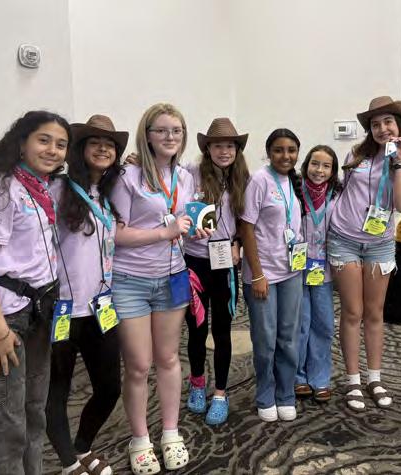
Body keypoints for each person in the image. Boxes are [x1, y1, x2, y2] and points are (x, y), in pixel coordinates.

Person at [0, 111, 70, 475]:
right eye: (43, 140)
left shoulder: (42, 187)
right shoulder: (1, 186)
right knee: (5, 420)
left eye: (61, 144)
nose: (52, 150)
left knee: (33, 410)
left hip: (38, 309)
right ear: (22, 142)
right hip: (4, 317)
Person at [110, 103, 200, 473]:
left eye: (176, 130)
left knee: (168, 359)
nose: (169, 137)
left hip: (172, 277)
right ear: (147, 135)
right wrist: (165, 232)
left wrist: (194, 230)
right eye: (161, 130)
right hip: (130, 281)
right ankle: (140, 439)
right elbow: (116, 233)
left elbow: (183, 223)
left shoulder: (185, 176)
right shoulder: (128, 176)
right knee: (138, 365)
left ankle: (170, 433)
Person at [45, 115, 128, 475]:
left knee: (109, 388)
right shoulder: (57, 189)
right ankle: (68, 463)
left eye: (110, 144)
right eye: (95, 142)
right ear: (80, 149)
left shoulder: (108, 194)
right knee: (57, 391)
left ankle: (82, 448)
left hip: (100, 308)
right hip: (61, 309)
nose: (103, 148)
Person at [327, 96, 401, 411]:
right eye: (376, 124)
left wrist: (398, 163)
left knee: (374, 313)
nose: (382, 129)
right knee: (352, 312)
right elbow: (344, 189)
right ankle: (353, 380)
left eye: (388, 122)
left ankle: (375, 378)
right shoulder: (357, 153)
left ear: (399, 125)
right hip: (344, 239)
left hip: (379, 243)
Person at [183, 117, 249, 425]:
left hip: (225, 264)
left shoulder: (243, 179)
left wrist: (238, 243)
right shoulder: (190, 174)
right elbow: (160, 175)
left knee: (222, 331)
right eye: (218, 145)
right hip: (194, 264)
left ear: (237, 150)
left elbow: (246, 221)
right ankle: (197, 384)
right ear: (207, 149)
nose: (224, 151)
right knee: (196, 329)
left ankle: (220, 393)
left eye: (230, 146)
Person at [239, 128, 304, 422]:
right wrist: (257, 274)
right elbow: (246, 227)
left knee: (288, 336)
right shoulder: (259, 180)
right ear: (269, 152)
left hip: (291, 271)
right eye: (279, 150)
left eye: (291, 150)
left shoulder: (295, 181)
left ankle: (285, 393)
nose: (285, 156)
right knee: (265, 339)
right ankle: (265, 393)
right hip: (263, 273)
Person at [294, 145, 341, 403]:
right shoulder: (295, 190)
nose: (319, 170)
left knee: (323, 324)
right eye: (315, 163)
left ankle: (320, 379)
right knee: (300, 324)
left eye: (326, 166)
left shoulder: (338, 194)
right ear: (306, 165)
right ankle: (298, 377)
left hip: (324, 269)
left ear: (332, 170)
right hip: (297, 267)